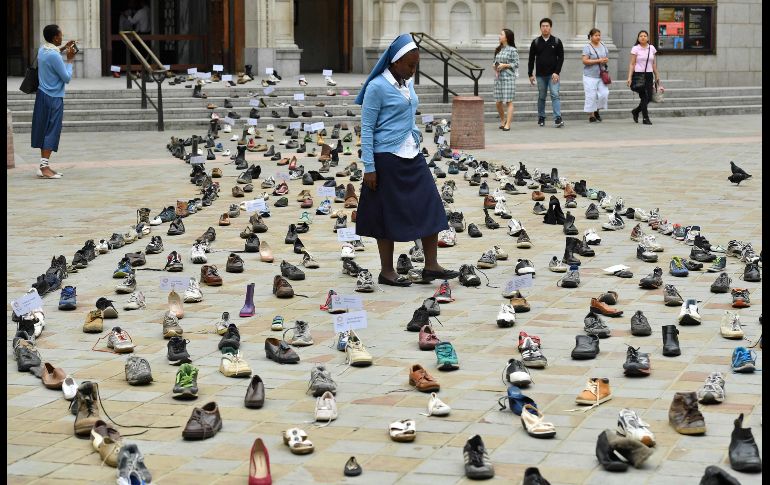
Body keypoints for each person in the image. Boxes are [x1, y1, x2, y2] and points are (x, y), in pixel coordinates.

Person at [354, 33, 458, 287]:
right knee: (386, 213)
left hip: (412, 153)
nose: (413, 71)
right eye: (409, 65)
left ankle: (431, 266)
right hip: (386, 157)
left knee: (430, 203)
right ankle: (387, 271)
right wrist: (369, 167)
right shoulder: (377, 87)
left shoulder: (406, 83)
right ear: (395, 61)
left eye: (415, 66)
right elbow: (367, 128)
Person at [31, 24, 76, 179]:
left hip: (42, 95)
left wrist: (63, 48)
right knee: (51, 131)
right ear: (55, 37)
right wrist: (70, 60)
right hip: (53, 97)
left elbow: (53, 55)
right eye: (61, 35)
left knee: (44, 129)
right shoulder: (54, 55)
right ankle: (44, 167)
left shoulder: (42, 50)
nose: (62, 37)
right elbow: (66, 78)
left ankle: (44, 165)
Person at [528, 18, 564, 128]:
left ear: (550, 27)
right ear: (540, 28)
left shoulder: (557, 41)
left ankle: (557, 118)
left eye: (547, 26)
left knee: (555, 95)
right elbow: (531, 59)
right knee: (542, 96)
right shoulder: (535, 42)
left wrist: (557, 72)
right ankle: (541, 117)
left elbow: (561, 58)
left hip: (553, 75)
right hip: (540, 75)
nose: (545, 28)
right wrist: (530, 74)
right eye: (543, 26)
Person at [626, 30, 661, 125]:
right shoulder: (635, 48)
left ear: (648, 38)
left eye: (645, 36)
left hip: (649, 75)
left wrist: (657, 75)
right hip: (638, 75)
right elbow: (632, 64)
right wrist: (629, 77)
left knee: (649, 97)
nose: (643, 37)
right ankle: (645, 118)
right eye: (641, 36)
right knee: (644, 96)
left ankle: (636, 111)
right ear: (638, 38)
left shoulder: (652, 48)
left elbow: (653, 64)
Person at [493, 29, 519, 131]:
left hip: (508, 78)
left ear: (507, 37)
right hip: (498, 78)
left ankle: (508, 124)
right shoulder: (498, 49)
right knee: (498, 102)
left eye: (501, 34)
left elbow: (516, 64)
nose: (499, 36)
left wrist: (505, 65)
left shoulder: (513, 50)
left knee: (509, 101)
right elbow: (495, 61)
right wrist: (494, 65)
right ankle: (503, 120)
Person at [581, 28, 610, 123]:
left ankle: (597, 109)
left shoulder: (603, 45)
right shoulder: (587, 47)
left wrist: (605, 60)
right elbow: (585, 61)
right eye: (596, 35)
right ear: (591, 37)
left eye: (599, 35)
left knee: (604, 94)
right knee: (591, 95)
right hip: (589, 75)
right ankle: (592, 115)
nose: (598, 37)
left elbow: (606, 57)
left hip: (601, 75)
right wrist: (598, 61)